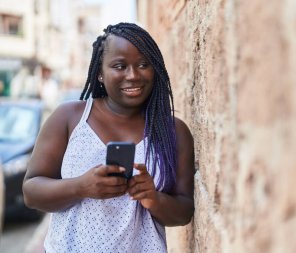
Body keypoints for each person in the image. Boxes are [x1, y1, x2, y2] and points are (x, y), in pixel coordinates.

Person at [22, 22, 195, 253]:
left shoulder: (174, 131)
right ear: (100, 74)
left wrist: (153, 198)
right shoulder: (70, 118)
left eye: (144, 64)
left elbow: (183, 212)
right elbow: (32, 192)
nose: (133, 75)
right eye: (119, 66)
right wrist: (80, 187)